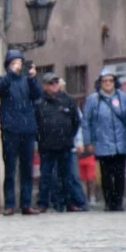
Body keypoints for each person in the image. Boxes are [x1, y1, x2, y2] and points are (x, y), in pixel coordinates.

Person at [0, 50, 40, 215]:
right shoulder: (3, 79)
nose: (18, 65)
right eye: (14, 62)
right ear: (8, 65)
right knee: (10, 169)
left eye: (19, 62)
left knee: (27, 169)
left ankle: (26, 203)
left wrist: (33, 77)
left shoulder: (27, 81)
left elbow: (37, 95)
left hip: (27, 129)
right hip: (10, 130)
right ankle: (9, 204)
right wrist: (11, 74)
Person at [34, 73, 80, 213]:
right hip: (46, 146)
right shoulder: (39, 102)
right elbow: (35, 125)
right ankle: (43, 203)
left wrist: (69, 136)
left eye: (55, 82)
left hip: (65, 144)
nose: (53, 85)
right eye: (50, 83)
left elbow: (76, 121)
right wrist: (40, 140)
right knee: (46, 176)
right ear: (44, 86)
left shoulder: (67, 100)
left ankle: (68, 202)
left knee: (67, 176)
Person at [82, 71, 126, 211]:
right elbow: (86, 122)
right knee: (106, 174)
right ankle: (109, 202)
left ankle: (118, 202)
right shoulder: (93, 100)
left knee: (120, 174)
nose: (108, 83)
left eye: (110, 80)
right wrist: (88, 141)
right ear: (100, 83)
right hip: (102, 142)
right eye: (105, 81)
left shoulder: (123, 98)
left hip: (121, 142)